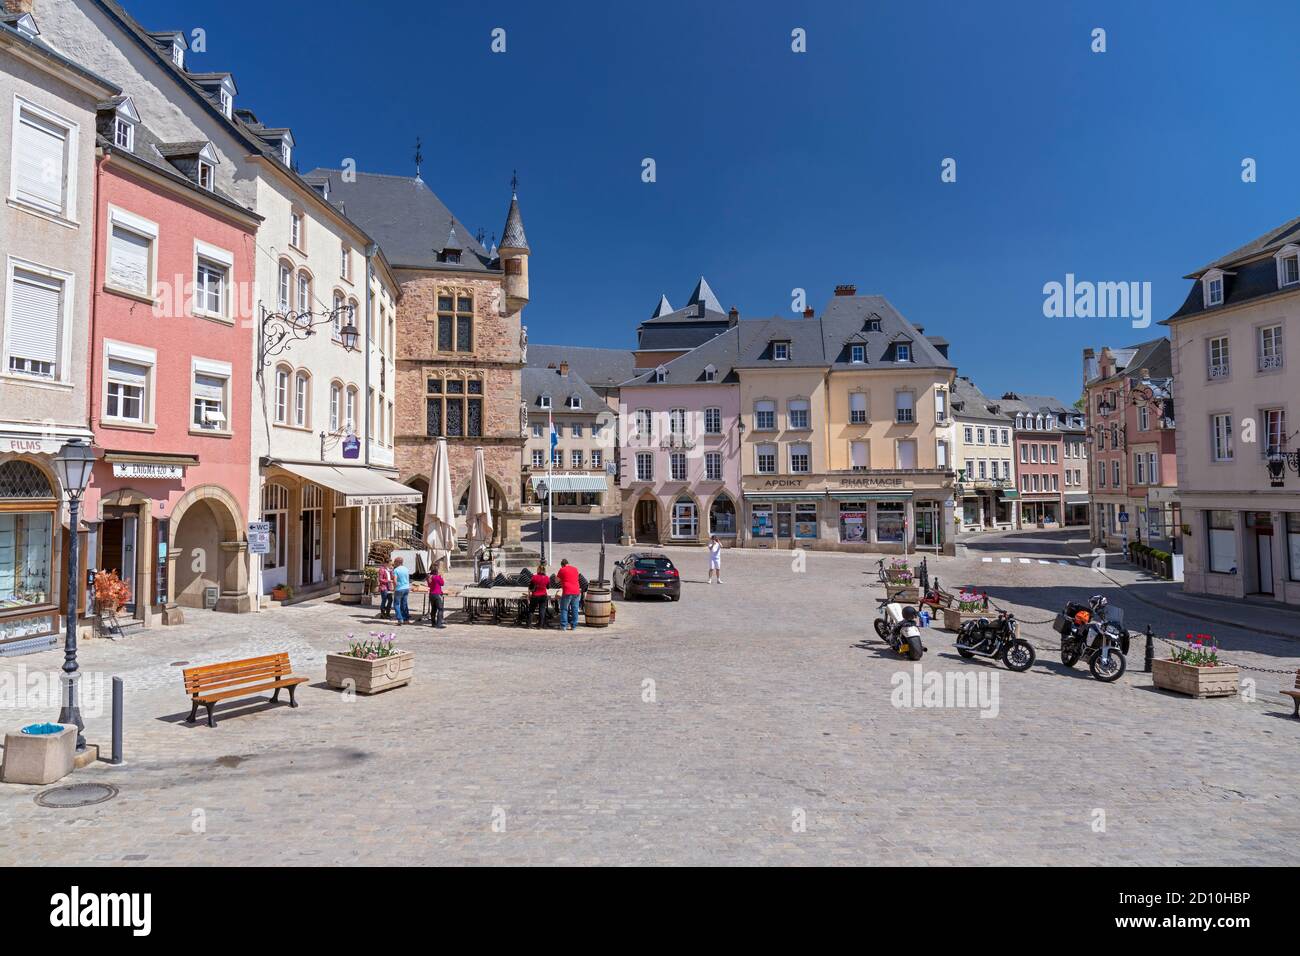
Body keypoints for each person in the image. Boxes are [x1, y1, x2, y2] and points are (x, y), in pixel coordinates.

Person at [557, 558, 581, 631]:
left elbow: (556, 580)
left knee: (564, 608)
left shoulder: (562, 570)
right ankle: (574, 626)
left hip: (567, 591)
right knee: (574, 609)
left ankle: (564, 626)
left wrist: (561, 578)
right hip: (576, 591)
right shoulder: (575, 569)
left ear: (562, 565)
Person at [528, 563, 550, 628]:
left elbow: (530, 587)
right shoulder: (547, 578)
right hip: (543, 595)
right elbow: (548, 587)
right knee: (542, 610)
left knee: (531, 610)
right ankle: (540, 625)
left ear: (538, 570)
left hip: (535, 595)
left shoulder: (534, 577)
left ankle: (529, 624)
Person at [392, 556, 411, 625]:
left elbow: (394, 580)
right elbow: (408, 579)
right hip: (406, 588)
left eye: (395, 562)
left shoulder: (396, 570)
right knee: (404, 604)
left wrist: (394, 588)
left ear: (397, 562)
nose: (394, 563)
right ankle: (406, 619)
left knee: (396, 604)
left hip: (399, 588)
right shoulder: (406, 569)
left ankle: (400, 619)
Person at [428, 560, 446, 629]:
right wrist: (441, 577)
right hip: (437, 594)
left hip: (431, 594)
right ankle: (439, 624)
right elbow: (442, 583)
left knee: (433, 609)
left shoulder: (429, 576)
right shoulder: (437, 577)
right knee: (440, 609)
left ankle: (433, 623)